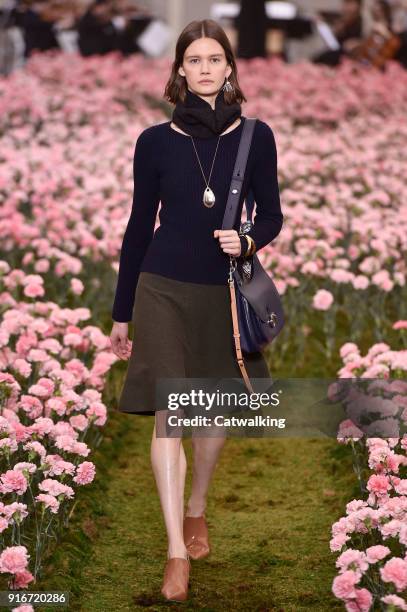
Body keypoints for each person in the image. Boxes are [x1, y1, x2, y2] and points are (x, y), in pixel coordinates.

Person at [110, 18, 283, 602]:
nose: (205, 67)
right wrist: (121, 309)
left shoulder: (256, 137)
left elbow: (273, 215)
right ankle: (175, 552)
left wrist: (250, 239)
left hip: (222, 294)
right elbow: (139, 227)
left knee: (212, 416)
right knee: (170, 416)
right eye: (195, 59)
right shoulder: (154, 142)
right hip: (161, 287)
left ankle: (198, 506)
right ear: (179, 69)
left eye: (215, 58)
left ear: (229, 67)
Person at [313, 0, 363, 66]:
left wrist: (357, 42)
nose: (347, 7)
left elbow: (357, 41)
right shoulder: (342, 18)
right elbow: (323, 14)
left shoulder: (358, 21)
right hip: (335, 51)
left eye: (351, 4)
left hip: (344, 56)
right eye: (346, 3)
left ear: (358, 6)